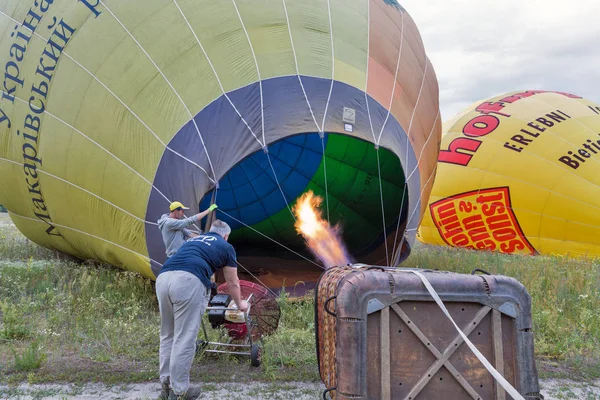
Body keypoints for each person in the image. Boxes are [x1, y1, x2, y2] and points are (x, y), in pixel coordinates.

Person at [155, 220, 249, 400]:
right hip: (187, 281)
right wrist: (239, 304)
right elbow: (232, 282)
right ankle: (180, 391)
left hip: (164, 277)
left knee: (168, 335)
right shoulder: (226, 246)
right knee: (184, 338)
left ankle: (166, 386)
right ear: (225, 235)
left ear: (210, 231)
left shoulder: (194, 240)